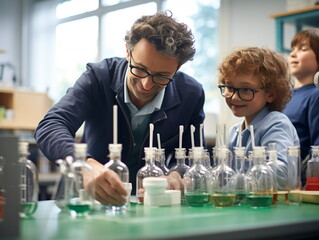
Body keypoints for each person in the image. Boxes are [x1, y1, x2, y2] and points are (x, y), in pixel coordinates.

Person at [34, 11, 205, 205]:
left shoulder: (191, 94)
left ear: (177, 69)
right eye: (140, 69)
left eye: (161, 76)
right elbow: (50, 126)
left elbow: (194, 153)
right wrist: (85, 166)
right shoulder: (98, 77)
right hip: (85, 201)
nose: (146, 84)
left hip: (148, 204)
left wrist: (176, 174)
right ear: (128, 52)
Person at [217, 47, 299, 189]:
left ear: (271, 94)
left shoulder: (276, 123)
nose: (235, 97)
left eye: (246, 90)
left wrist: (233, 186)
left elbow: (281, 175)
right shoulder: (234, 132)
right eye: (229, 88)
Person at [283, 28, 319, 184]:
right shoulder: (282, 96)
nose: (293, 54)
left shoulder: (315, 96)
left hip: (298, 182)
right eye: (292, 50)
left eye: (303, 49)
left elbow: (316, 148)